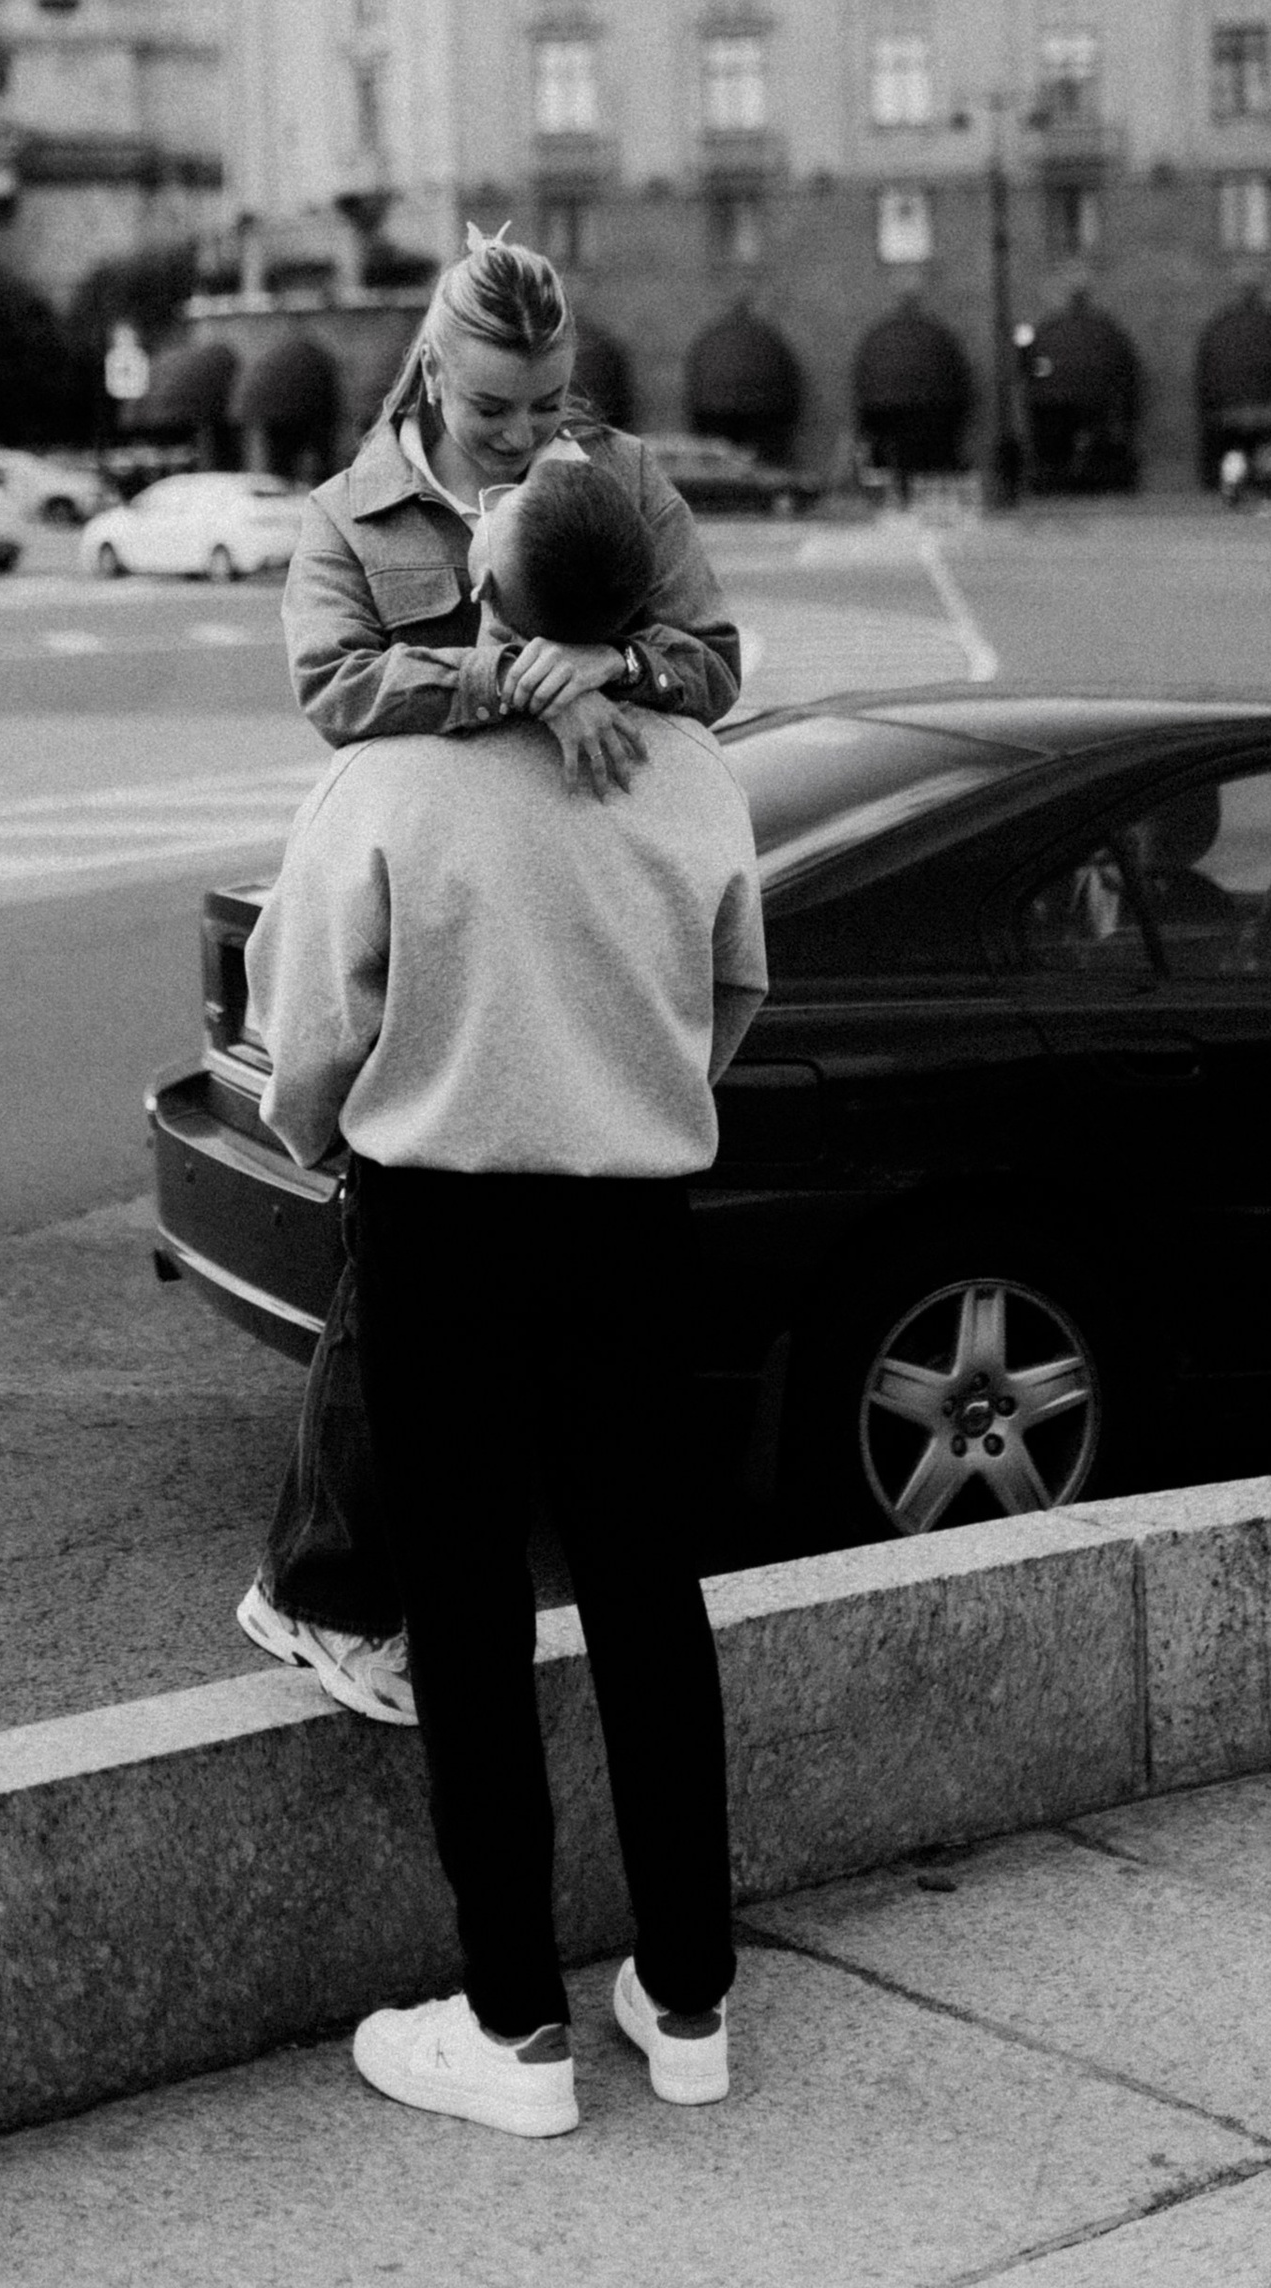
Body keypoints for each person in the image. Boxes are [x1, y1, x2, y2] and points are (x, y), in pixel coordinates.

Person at [250, 452, 768, 2136]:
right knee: (645, 1590)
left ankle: (514, 2025)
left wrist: (340, 1133)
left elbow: (308, 1028)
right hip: (636, 1216)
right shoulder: (697, 774)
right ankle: (688, 2001)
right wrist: (630, 1091)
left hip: (443, 1221)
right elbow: (733, 991)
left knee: (467, 1611)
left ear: (489, 595)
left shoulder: (396, 784)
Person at [235, 228, 742, 1725]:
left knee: (464, 1290)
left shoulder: (621, 480)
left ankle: (353, 1587)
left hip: (580, 892)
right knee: (392, 1263)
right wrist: (502, 672)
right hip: (431, 895)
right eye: (498, 409)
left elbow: (710, 655)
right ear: (432, 371)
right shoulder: (350, 515)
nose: (533, 435)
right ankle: (326, 1588)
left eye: (553, 402)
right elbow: (334, 689)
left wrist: (610, 666)